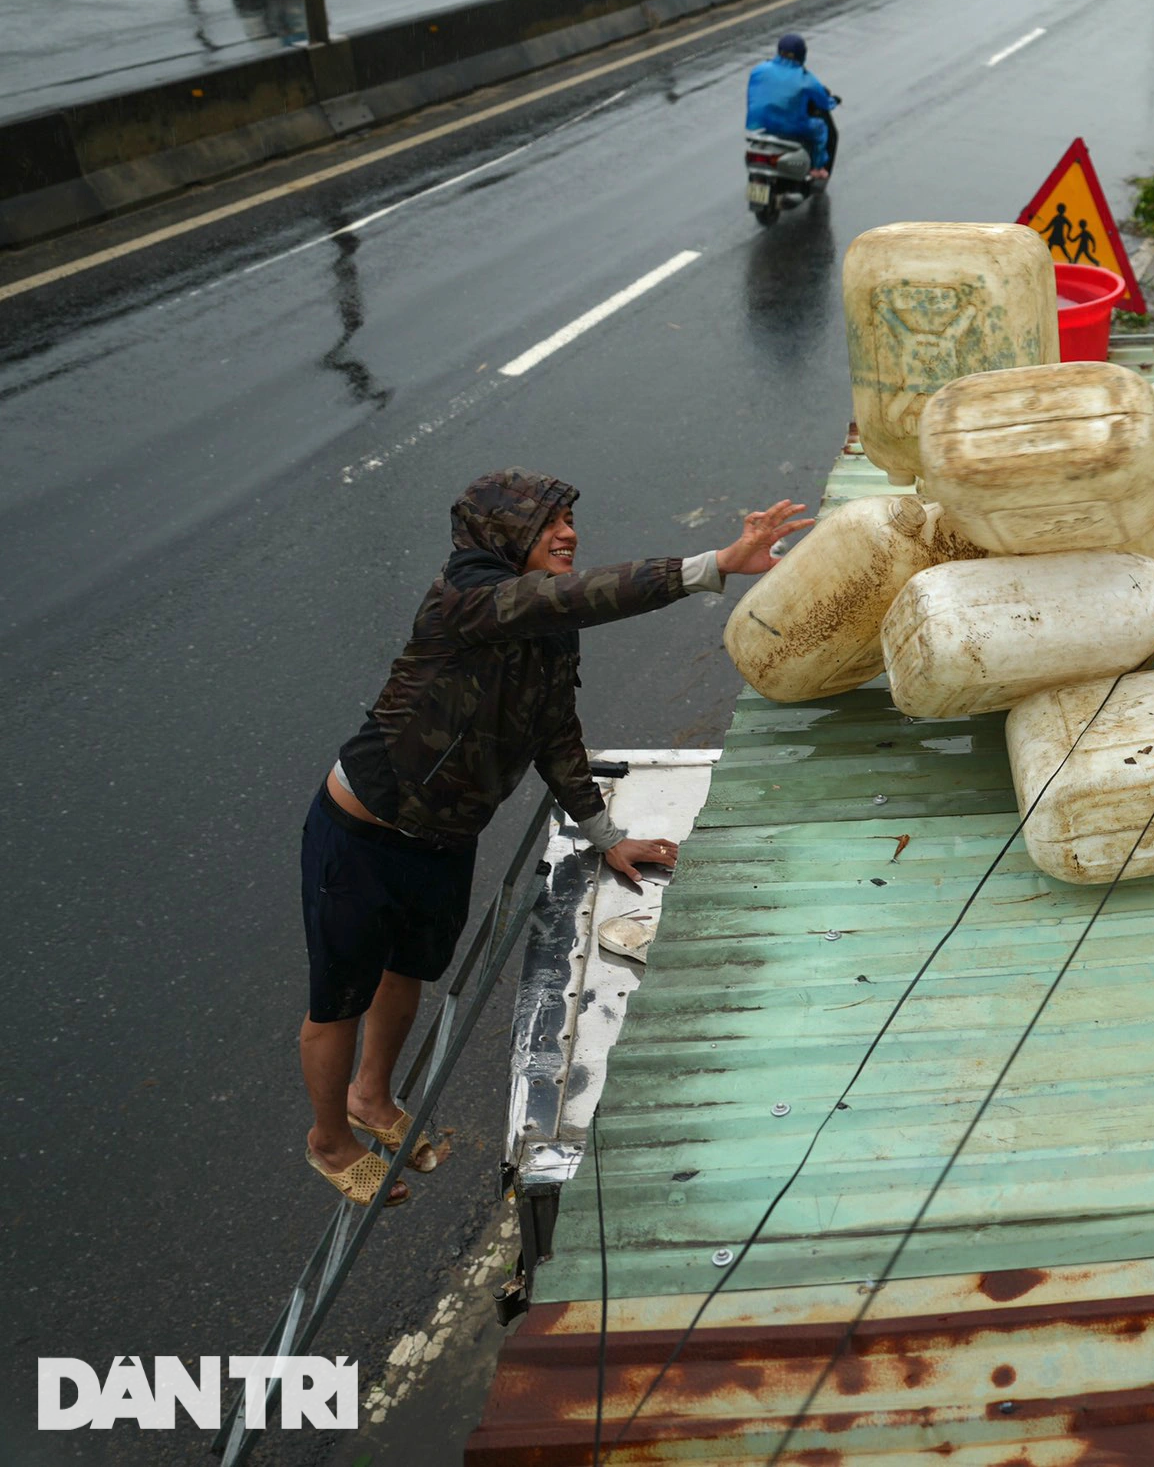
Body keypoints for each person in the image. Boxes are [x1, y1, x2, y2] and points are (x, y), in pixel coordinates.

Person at [300, 470, 811, 1206]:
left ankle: (371, 1098)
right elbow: (573, 596)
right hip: (364, 833)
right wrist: (714, 566)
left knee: (407, 969)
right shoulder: (471, 600)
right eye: (548, 525)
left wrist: (606, 835)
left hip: (443, 838)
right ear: (504, 536)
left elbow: (554, 732)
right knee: (338, 1001)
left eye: (569, 519)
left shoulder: (543, 628)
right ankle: (330, 1139)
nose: (567, 534)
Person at [745, 32, 842, 183]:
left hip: (763, 124)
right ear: (802, 54)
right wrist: (834, 101)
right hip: (793, 126)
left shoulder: (759, 69)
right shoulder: (805, 79)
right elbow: (824, 103)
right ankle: (817, 168)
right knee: (822, 129)